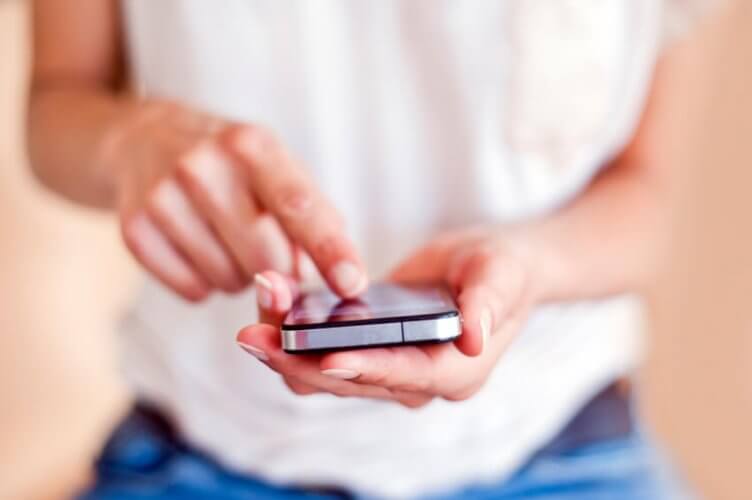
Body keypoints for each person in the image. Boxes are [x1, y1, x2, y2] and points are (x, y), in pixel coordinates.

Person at [28, 1, 711, 498]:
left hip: (564, 440)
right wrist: (128, 144)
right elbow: (56, 102)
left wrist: (529, 266)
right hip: (204, 442)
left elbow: (646, 193)